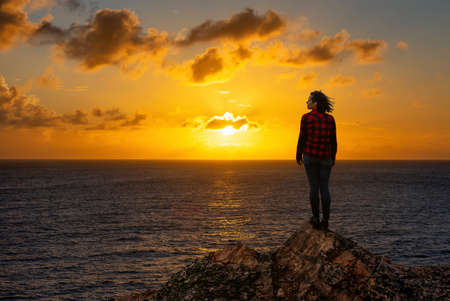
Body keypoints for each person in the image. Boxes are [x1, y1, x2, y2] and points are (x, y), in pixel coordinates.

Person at [296, 90, 337, 230]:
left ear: (315, 104)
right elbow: (334, 141)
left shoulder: (306, 118)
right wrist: (333, 157)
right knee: (324, 188)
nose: (306, 102)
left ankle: (315, 218)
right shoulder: (330, 119)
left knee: (314, 187)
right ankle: (325, 220)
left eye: (309, 100)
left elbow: (302, 137)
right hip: (326, 158)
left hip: (310, 157)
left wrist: (298, 154)